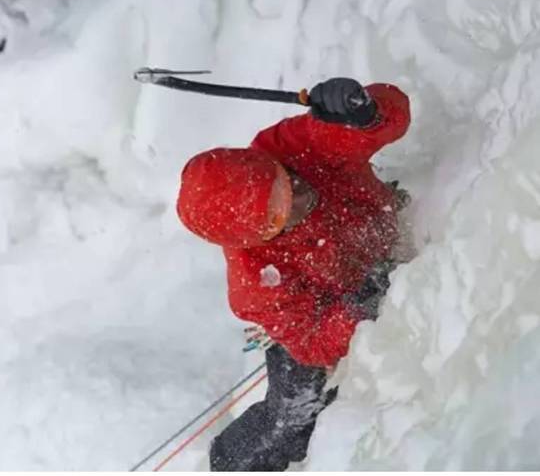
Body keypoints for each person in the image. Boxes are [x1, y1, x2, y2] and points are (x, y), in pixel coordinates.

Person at [176, 77, 411, 471]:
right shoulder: (255, 281)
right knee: (291, 416)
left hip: (373, 248)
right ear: (257, 238)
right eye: (281, 212)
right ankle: (227, 463)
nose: (301, 196)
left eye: (286, 182)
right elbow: (312, 341)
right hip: (316, 311)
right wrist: (357, 313)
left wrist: (367, 113)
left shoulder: (293, 148)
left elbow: (392, 117)